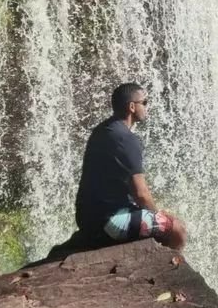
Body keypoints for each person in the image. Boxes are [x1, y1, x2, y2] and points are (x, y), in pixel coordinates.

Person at [74, 82, 187, 250]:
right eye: (145, 102)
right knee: (177, 228)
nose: (147, 107)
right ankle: (170, 270)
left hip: (87, 218)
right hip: (108, 222)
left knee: (156, 219)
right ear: (132, 107)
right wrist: (158, 215)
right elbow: (141, 194)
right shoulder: (126, 139)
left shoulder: (103, 130)